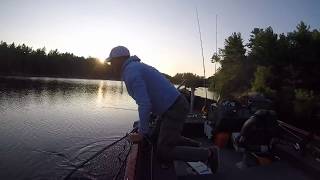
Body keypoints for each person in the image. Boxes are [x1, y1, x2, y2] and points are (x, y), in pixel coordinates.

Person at [105, 46, 219, 172]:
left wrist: (142, 133)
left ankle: (209, 154)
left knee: (164, 151)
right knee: (154, 137)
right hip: (170, 107)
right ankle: (197, 145)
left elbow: (144, 104)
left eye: (112, 62)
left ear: (120, 59)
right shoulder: (136, 67)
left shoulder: (131, 73)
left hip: (174, 108)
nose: (111, 65)